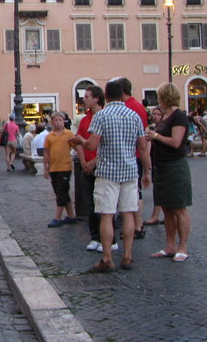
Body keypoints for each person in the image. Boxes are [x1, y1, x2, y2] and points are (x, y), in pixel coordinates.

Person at [70, 81, 150, 272]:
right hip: (130, 170)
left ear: (105, 96)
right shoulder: (134, 115)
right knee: (128, 213)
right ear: (122, 95)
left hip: (107, 172)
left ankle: (107, 258)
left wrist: (81, 140)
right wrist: (147, 171)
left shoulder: (102, 115)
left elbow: (91, 144)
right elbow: (142, 146)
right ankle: (127, 256)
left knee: (106, 214)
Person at [145, 83, 192, 262]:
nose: (158, 99)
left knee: (179, 208)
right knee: (166, 208)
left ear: (165, 97)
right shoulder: (165, 116)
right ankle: (170, 245)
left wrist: (155, 136)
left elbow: (176, 142)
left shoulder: (179, 116)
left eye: (159, 96)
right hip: (162, 167)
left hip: (175, 166)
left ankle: (182, 247)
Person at [73, 86, 117, 253]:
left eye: (86, 96)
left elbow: (109, 145)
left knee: (105, 204)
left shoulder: (105, 117)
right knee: (90, 204)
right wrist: (84, 162)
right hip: (86, 164)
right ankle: (95, 236)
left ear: (96, 98)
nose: (83, 99)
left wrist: (93, 162)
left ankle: (111, 239)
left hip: (102, 165)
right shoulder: (85, 119)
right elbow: (78, 141)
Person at [118, 77, 149, 240]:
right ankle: (138, 225)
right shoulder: (139, 106)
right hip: (136, 153)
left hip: (131, 154)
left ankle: (136, 225)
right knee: (136, 191)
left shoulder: (128, 107)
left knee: (133, 192)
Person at [43, 112, 77, 227]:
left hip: (65, 167)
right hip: (54, 167)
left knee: (61, 192)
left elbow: (76, 146)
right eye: (56, 120)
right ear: (52, 122)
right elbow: (46, 152)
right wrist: (45, 168)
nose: (58, 122)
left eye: (60, 120)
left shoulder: (69, 134)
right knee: (61, 191)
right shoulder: (49, 136)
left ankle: (57, 218)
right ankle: (71, 216)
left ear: (64, 121)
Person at [143, 106, 165, 227]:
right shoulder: (153, 128)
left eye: (158, 114)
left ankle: (156, 216)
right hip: (156, 159)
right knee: (159, 188)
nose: (155, 116)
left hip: (161, 161)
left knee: (160, 189)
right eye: (154, 114)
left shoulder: (161, 129)